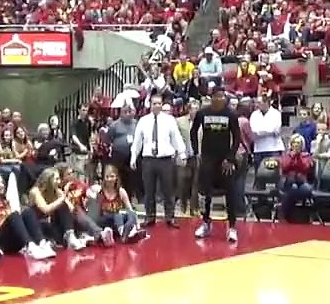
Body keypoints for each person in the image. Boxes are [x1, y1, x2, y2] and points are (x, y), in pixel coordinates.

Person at [190, 85, 243, 243]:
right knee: (205, 193)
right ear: (211, 97)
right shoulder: (203, 113)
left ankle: (232, 226)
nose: (220, 99)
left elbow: (237, 138)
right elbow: (193, 132)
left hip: (225, 160)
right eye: (217, 96)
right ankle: (206, 222)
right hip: (207, 158)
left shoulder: (231, 114)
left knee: (230, 193)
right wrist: (196, 152)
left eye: (222, 96)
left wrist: (230, 158)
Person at [130, 93, 186, 228]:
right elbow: (137, 141)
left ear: (162, 105)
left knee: (168, 190)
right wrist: (133, 156)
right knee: (149, 191)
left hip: (165, 160)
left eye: (159, 103)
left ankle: (170, 217)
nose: (157, 106)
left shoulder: (170, 120)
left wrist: (182, 153)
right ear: (150, 104)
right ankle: (150, 217)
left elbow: (176, 138)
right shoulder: (143, 121)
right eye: (154, 103)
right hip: (148, 160)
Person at [0, 173, 57, 260]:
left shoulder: (5, 202)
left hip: (13, 242)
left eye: (2, 182)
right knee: (14, 215)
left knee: (27, 211)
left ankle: (42, 243)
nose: (1, 185)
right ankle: (31, 247)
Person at [90, 164, 143, 243]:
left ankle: (129, 230)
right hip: (104, 221)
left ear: (116, 177)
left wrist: (137, 223)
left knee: (129, 214)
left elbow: (130, 209)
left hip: (118, 221)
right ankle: (124, 232)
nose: (109, 179)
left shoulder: (121, 191)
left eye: (112, 176)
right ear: (104, 178)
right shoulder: (99, 190)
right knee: (117, 215)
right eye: (107, 177)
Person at [278, 134, 314, 222]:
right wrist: (293, 157)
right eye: (294, 143)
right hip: (288, 180)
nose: (296, 145)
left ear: (302, 145)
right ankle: (286, 214)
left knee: (307, 189)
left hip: (302, 181)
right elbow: (284, 167)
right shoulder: (286, 155)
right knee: (292, 188)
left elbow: (305, 168)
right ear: (291, 144)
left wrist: (299, 157)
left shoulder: (306, 156)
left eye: (298, 143)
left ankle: (289, 212)